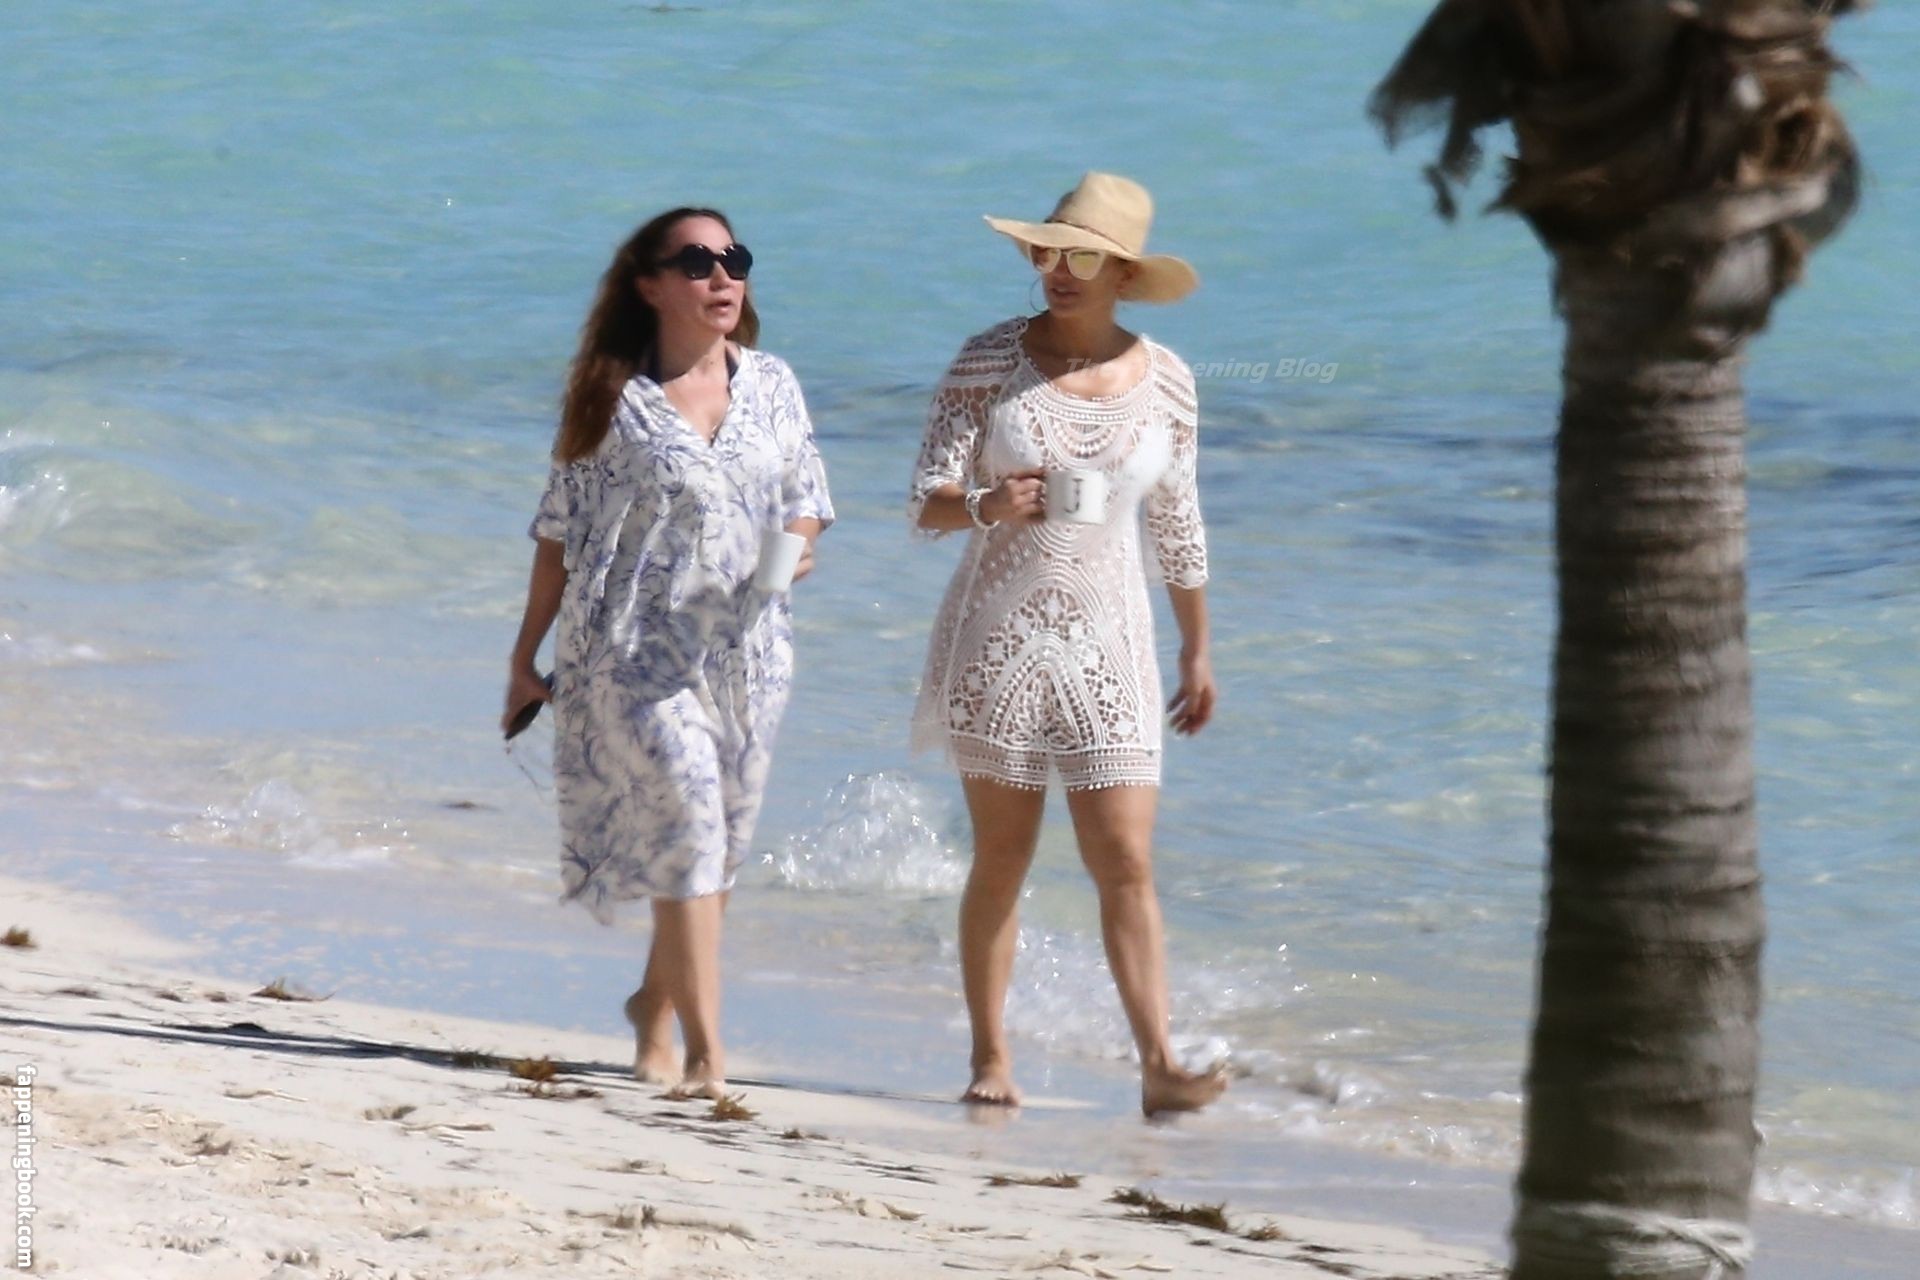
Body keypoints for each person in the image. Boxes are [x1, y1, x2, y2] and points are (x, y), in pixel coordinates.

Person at [908, 172, 1226, 1116]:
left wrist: (1197, 649)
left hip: (1113, 641)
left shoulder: (1167, 380)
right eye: (1047, 250)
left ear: (1124, 275)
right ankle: (990, 1056)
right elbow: (926, 501)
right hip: (998, 638)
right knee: (1003, 855)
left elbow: (1178, 524)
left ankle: (1160, 1065)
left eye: (1082, 256)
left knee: (1125, 858)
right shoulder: (987, 360)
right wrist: (987, 503)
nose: (1058, 269)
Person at [505, 207, 833, 1099]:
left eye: (735, 259)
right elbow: (557, 532)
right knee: (689, 825)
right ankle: (707, 1057)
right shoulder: (611, 399)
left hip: (749, 652)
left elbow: (807, 498)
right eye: (697, 262)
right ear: (649, 285)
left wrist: (794, 550)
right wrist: (524, 656)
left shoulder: (773, 383)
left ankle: (653, 1004)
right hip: (632, 649)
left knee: (716, 851)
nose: (722, 277)